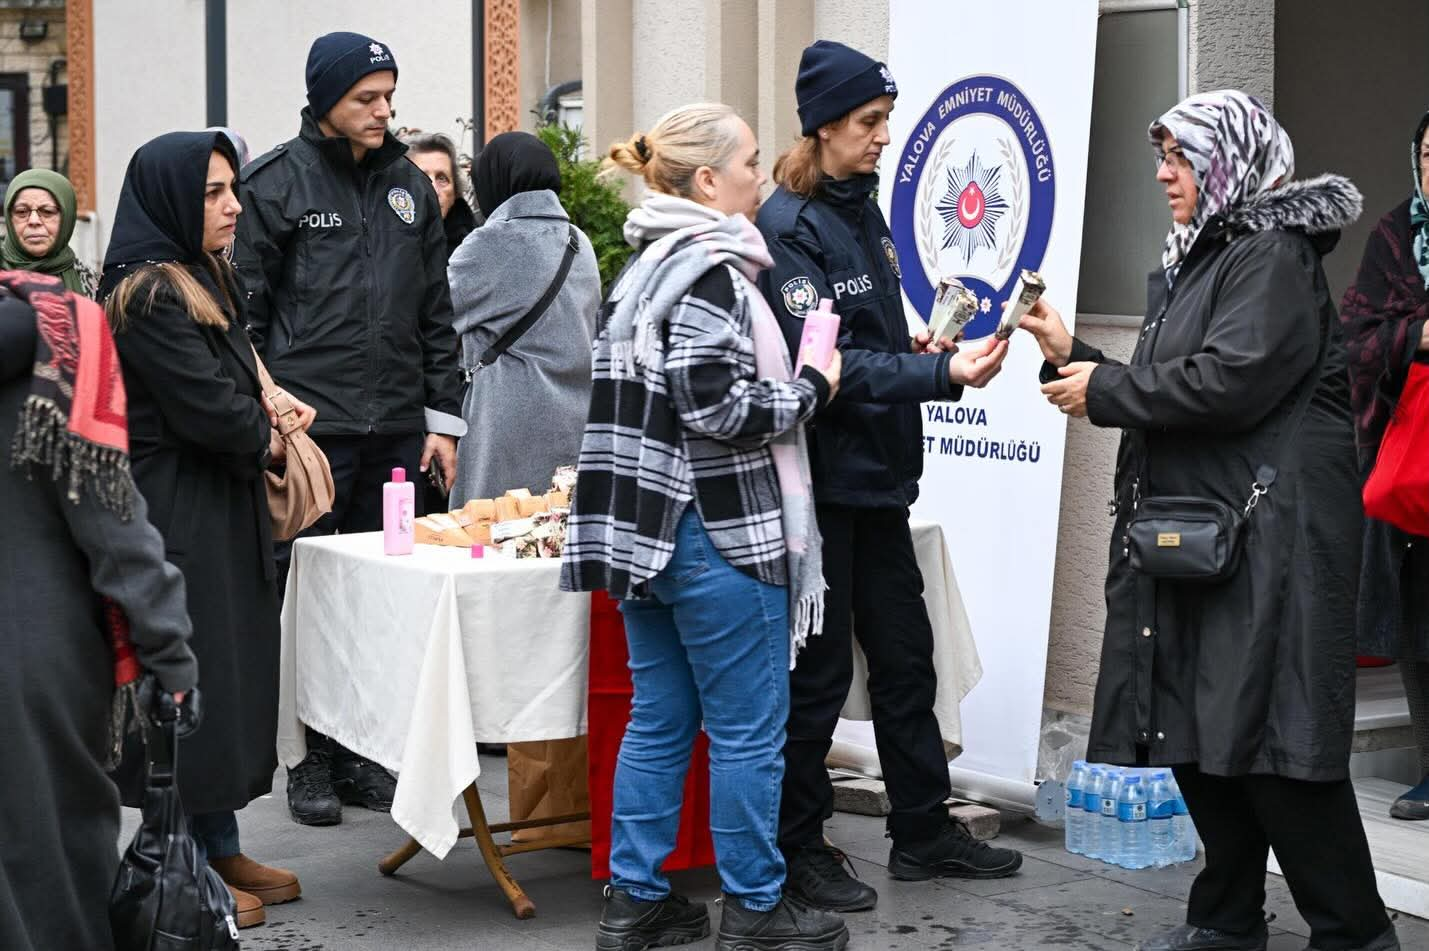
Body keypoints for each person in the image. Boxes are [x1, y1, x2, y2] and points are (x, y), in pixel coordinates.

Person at [1022, 91, 1398, 951]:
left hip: (1277, 546)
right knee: (1198, 735)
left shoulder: (1268, 254)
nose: (1162, 174)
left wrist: (1106, 390)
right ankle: (1225, 917)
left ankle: (1355, 932)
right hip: (1215, 542)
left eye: (1180, 159)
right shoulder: (1206, 255)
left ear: (1228, 163)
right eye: (1162, 156)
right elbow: (1191, 378)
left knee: (1276, 753)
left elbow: (1231, 380)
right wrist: (1073, 356)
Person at [561, 102, 849, 951]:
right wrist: (811, 388)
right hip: (717, 533)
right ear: (707, 181)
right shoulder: (708, 273)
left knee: (659, 720)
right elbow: (716, 403)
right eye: (751, 163)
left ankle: (637, 899)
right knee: (747, 734)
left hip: (648, 536)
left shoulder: (648, 266)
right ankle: (757, 907)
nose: (763, 175)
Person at [755, 39, 1017, 913]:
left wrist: (914, 347)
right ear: (823, 127)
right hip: (824, 491)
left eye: (884, 123)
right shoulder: (787, 228)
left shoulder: (859, 210)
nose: (881, 139)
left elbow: (863, 344)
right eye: (868, 123)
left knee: (909, 658)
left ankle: (921, 829)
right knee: (819, 678)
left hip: (879, 483)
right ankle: (799, 846)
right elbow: (825, 371)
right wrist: (939, 375)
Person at [234, 31, 466, 827]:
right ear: (326, 97)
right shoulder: (275, 183)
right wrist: (270, 415)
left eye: (389, 96)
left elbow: (438, 313)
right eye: (367, 97)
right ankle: (311, 760)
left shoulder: (407, 185)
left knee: (380, 598)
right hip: (313, 433)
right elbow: (246, 316)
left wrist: (443, 422)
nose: (384, 111)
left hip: (398, 431)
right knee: (312, 601)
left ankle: (365, 753)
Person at [102, 129, 309, 930]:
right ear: (171, 200)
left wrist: (266, 417)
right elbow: (209, 412)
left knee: (227, 681)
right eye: (215, 192)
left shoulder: (197, 273)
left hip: (220, 510)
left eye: (233, 188)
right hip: (180, 516)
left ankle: (219, 843)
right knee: (189, 686)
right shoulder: (148, 292)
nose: (234, 205)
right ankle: (179, 860)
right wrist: (271, 434)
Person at [0, 274, 198, 951]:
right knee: (59, 871)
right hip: (36, 662)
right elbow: (113, 524)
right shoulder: (60, 343)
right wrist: (171, 653)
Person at [1340, 108, 1429, 823]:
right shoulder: (1394, 238)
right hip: (1412, 457)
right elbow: (1353, 340)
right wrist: (1417, 333)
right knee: (1419, 617)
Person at [448, 131, 599, 502]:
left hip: (508, 418)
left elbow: (433, 314)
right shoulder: (579, 242)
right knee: (554, 537)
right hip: (577, 416)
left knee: (494, 536)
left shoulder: (492, 243)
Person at [1, 168, 97, 295]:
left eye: (47, 212)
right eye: (21, 212)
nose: (34, 221)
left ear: (66, 219)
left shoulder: (92, 284)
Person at [402, 131, 480, 259]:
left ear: (455, 193)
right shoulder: (378, 248)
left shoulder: (474, 253)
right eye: (420, 178)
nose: (433, 189)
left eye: (442, 179)